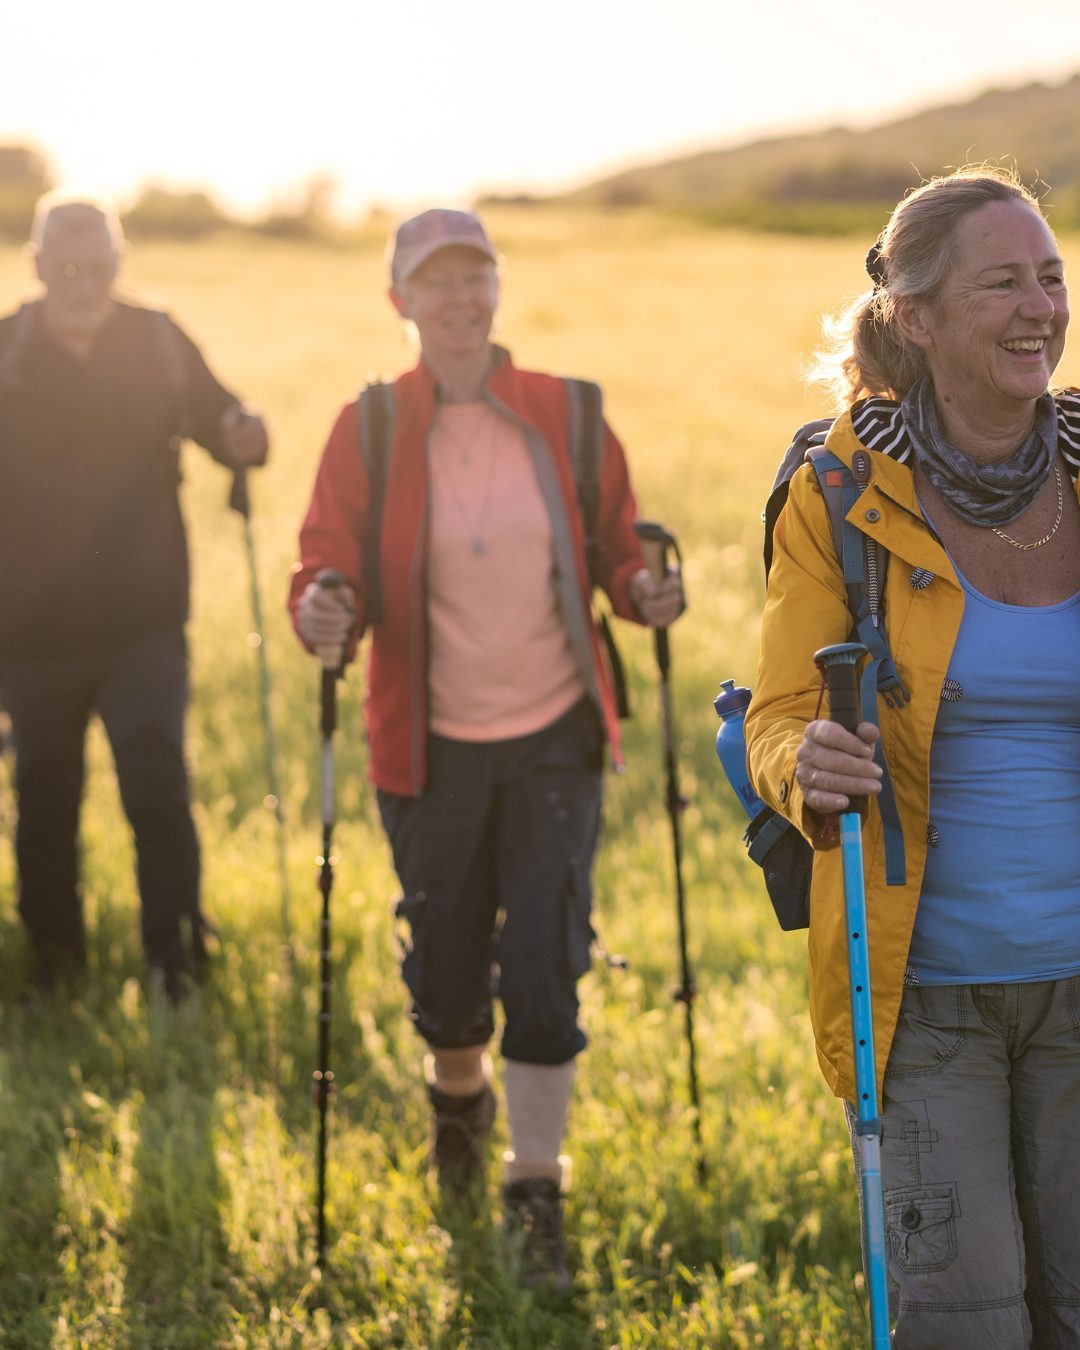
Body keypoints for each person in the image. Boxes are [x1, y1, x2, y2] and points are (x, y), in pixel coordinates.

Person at [290, 207, 683, 1290]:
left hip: (556, 730)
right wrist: (322, 609)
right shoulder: (367, 427)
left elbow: (618, 547)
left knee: (549, 963)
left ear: (498, 289)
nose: (460, 301)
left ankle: (534, 1187)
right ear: (399, 302)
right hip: (429, 747)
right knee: (449, 972)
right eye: (435, 283)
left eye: (478, 278)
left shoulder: (566, 411)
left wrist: (644, 590)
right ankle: (457, 1114)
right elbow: (327, 565)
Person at [745, 165, 1080, 1347]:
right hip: (922, 992)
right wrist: (803, 767)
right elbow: (778, 713)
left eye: (1051, 276)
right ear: (917, 317)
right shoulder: (840, 490)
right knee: (965, 1322)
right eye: (1003, 283)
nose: (1040, 307)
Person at [0, 194, 268, 999]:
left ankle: (176, 959)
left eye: (101, 266)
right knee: (44, 798)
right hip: (28, 630)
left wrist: (247, 435)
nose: (85, 283)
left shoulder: (157, 341)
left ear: (120, 265)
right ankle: (53, 967)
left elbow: (225, 423)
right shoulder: (5, 350)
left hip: (144, 621)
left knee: (157, 787)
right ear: (38, 266)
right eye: (68, 267)